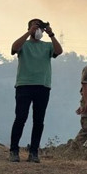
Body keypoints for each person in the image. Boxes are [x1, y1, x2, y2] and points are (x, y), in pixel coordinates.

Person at [9, 18, 63, 163]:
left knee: (38, 121)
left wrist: (51, 34)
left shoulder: (47, 46)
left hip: (43, 86)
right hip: (24, 85)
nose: (38, 31)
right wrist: (28, 32)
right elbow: (14, 48)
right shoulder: (24, 45)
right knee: (20, 118)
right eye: (35, 27)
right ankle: (14, 151)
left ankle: (34, 152)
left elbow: (59, 51)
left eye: (40, 28)